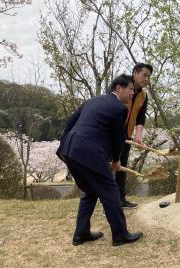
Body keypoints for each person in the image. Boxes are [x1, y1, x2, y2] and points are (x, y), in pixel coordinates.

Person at [56, 74, 143, 246]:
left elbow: (71, 122)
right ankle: (120, 235)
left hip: (70, 149)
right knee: (110, 191)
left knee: (90, 191)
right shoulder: (119, 108)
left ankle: (81, 234)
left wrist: (66, 144)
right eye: (130, 89)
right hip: (89, 152)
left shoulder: (92, 101)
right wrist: (116, 160)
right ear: (119, 88)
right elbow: (118, 138)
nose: (133, 93)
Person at [116, 63, 153, 208]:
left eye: (149, 76)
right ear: (135, 73)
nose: (147, 79)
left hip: (127, 135)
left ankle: (121, 200)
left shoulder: (143, 95)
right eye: (144, 75)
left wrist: (138, 136)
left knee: (122, 168)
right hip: (113, 133)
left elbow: (141, 117)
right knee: (111, 166)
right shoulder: (122, 87)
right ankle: (111, 203)